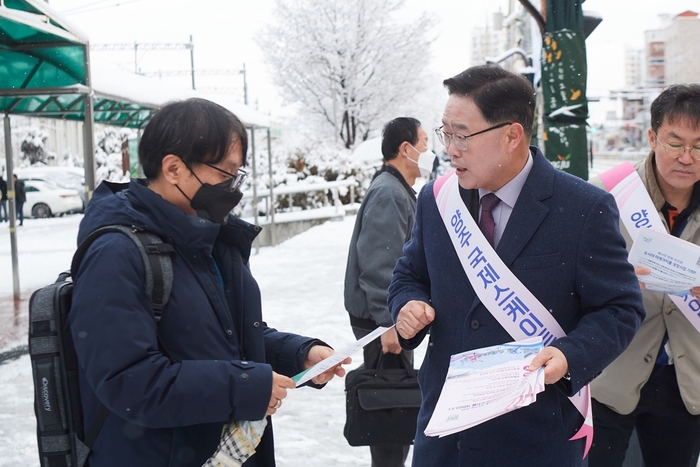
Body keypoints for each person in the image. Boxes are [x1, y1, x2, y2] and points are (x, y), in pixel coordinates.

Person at [387, 65, 646, 466]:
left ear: (511, 135)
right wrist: (406, 304)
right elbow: (409, 274)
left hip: (534, 438)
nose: (450, 149)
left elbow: (620, 308)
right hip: (444, 437)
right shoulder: (437, 200)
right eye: (445, 133)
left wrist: (570, 355)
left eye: (462, 135)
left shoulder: (582, 208)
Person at [69, 98, 349, 467]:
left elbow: (222, 339)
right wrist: (245, 386)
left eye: (238, 175)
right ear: (173, 168)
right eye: (225, 173)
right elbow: (129, 382)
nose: (233, 187)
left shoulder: (208, 239)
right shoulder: (116, 253)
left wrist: (298, 354)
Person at [589, 84, 700, 467]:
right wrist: (612, 285)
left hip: (689, 383)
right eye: (675, 142)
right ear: (652, 138)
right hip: (610, 371)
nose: (687, 157)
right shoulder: (607, 195)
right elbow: (572, 283)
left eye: (699, 146)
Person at [344, 117, 433, 467]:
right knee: (389, 410)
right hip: (385, 323)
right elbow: (380, 265)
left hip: (391, 319)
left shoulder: (396, 190)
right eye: (425, 142)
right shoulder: (389, 193)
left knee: (393, 409)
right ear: (406, 149)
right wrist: (390, 324)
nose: (430, 151)